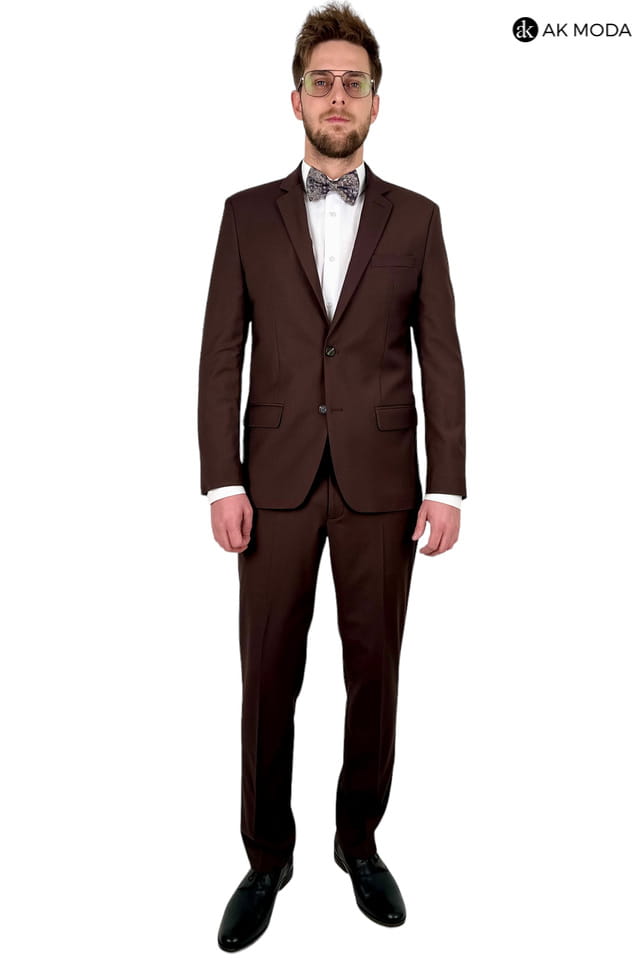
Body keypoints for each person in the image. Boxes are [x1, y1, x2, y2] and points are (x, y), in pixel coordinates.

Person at [197, 2, 466, 951]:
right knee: (267, 676)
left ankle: (359, 844)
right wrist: (221, 481)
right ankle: (266, 858)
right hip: (269, 485)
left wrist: (448, 484)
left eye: (354, 82)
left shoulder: (419, 219)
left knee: (374, 675)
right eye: (323, 81)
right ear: (297, 99)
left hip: (384, 486)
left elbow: (442, 357)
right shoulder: (244, 215)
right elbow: (220, 356)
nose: (338, 96)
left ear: (377, 103)